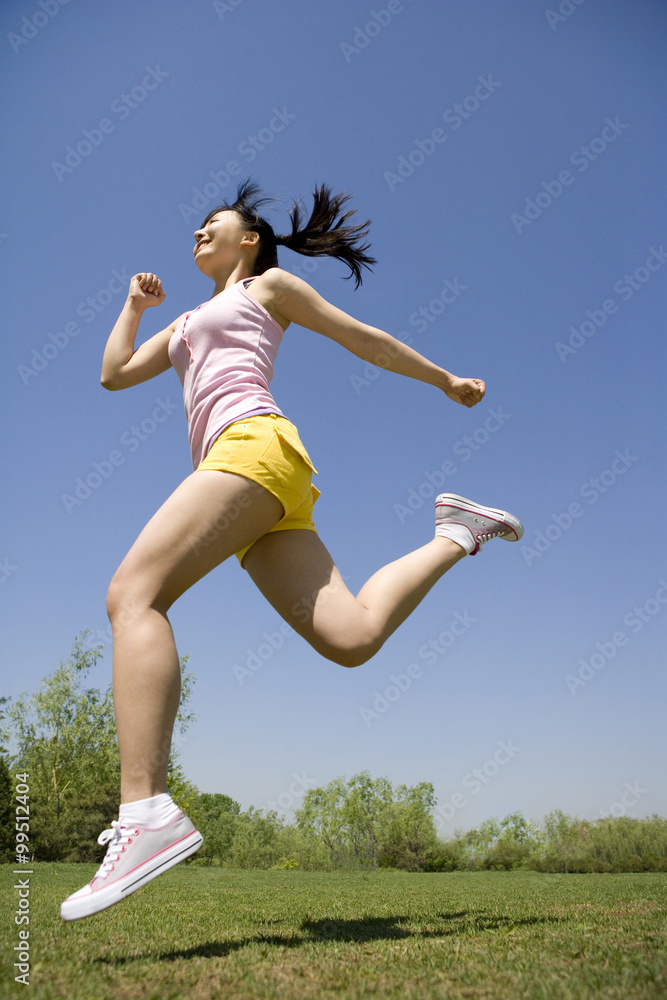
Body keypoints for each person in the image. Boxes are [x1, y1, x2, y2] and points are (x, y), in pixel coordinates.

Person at [60, 179, 523, 921]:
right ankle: (456, 532)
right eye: (195, 228)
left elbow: (360, 337)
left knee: (133, 597)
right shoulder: (181, 324)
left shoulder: (269, 286)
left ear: (249, 241)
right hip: (259, 486)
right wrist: (135, 308)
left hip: (254, 450)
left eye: (214, 225)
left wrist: (443, 380)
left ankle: (144, 813)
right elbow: (114, 374)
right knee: (352, 637)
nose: (197, 234)